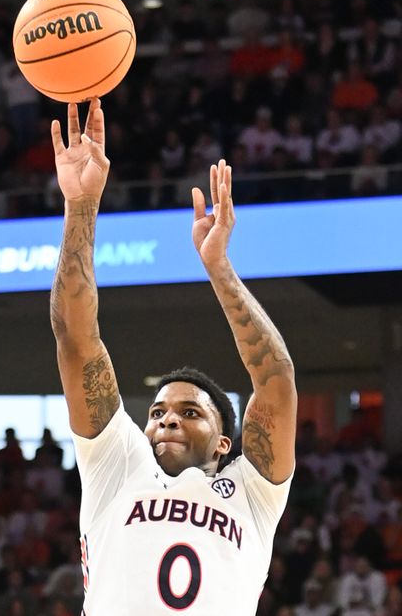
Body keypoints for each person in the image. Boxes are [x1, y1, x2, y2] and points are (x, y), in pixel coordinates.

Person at [49, 99, 297, 614]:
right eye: (157, 412)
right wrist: (81, 206)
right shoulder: (118, 463)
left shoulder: (252, 493)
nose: (166, 421)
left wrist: (220, 269)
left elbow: (275, 381)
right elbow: (76, 338)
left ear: (225, 442)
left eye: (189, 412)